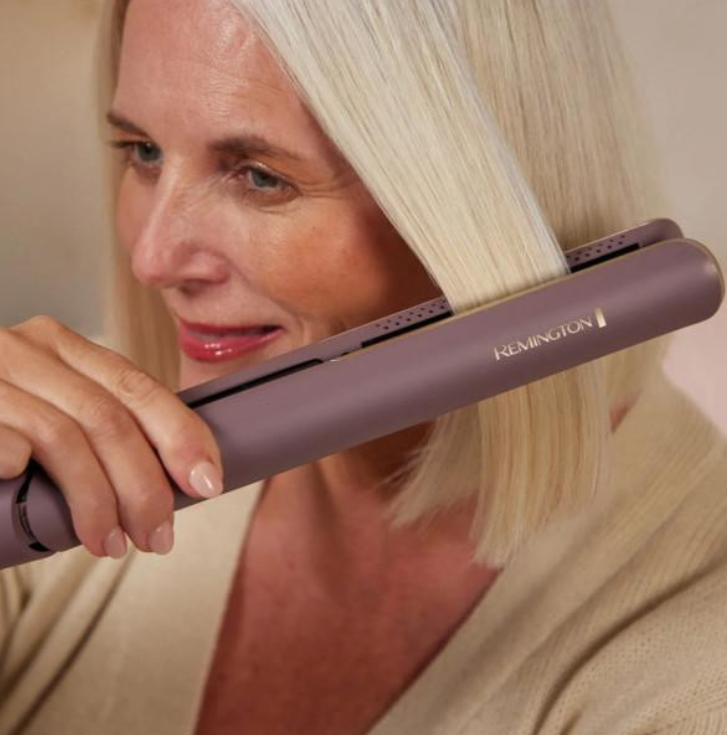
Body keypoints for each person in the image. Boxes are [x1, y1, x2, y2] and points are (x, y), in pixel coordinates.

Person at [0, 0, 725, 733]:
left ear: (475, 205)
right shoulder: (56, 462)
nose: (153, 259)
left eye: (260, 177)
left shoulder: (693, 671)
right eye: (144, 152)